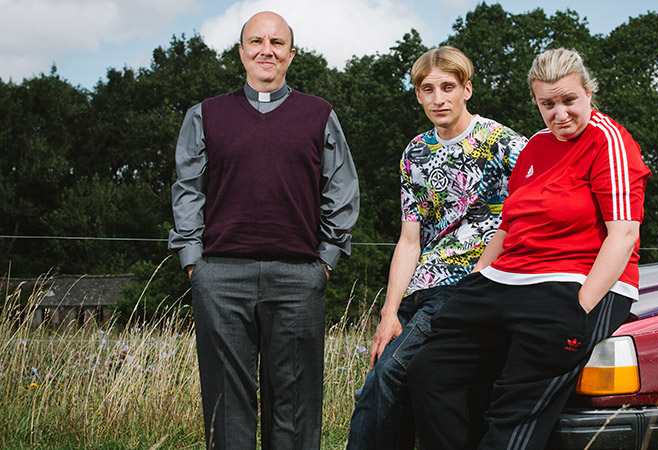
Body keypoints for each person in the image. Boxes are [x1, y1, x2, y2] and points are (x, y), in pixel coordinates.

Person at [407, 47, 651, 449]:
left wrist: (581, 306)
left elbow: (623, 235)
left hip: (571, 282)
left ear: (588, 92)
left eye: (569, 100)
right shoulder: (536, 145)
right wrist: (476, 279)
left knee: (513, 405)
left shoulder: (610, 142)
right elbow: (507, 227)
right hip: (503, 280)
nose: (560, 114)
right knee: (430, 372)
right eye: (548, 104)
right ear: (537, 103)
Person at [168, 11, 359, 449]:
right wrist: (194, 262)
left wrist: (325, 260)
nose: (266, 50)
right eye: (256, 41)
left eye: (277, 43)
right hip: (220, 276)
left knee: (295, 401)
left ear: (291, 54)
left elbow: (342, 188)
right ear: (241, 52)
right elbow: (188, 190)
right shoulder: (205, 115)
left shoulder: (319, 114)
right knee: (225, 401)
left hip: (298, 277)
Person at [346, 46, 528, 449]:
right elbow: (410, 238)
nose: (438, 98)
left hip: (467, 286)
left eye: (448, 87)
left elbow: (531, 212)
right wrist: (389, 311)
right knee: (388, 378)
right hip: (421, 286)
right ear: (417, 95)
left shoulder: (502, 143)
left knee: (389, 375)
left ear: (467, 89)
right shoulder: (415, 153)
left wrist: (481, 280)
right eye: (428, 89)